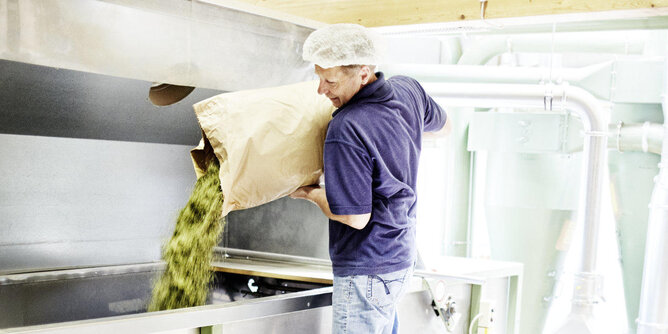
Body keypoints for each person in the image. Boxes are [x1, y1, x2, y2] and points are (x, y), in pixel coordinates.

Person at [290, 23, 450, 334]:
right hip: (400, 260)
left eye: (330, 81)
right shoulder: (408, 90)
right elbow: (445, 128)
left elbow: (354, 216)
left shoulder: (347, 127)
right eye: (318, 77)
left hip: (366, 270)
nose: (321, 90)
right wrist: (402, 139)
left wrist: (309, 193)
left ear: (364, 73)